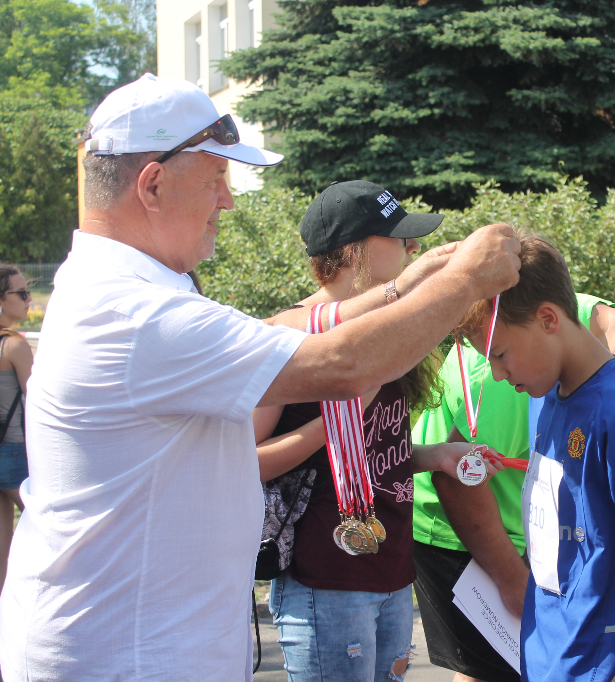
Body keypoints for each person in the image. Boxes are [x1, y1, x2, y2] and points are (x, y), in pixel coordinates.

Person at [0, 73, 521, 682]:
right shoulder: (134, 313)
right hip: (126, 657)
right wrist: (465, 280)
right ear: (153, 183)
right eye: (216, 178)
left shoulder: (129, 292)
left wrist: (404, 286)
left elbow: (276, 327)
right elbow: (343, 365)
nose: (227, 200)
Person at [252, 180, 504, 682]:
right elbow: (246, 461)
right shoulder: (288, 336)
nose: (412, 248)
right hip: (324, 577)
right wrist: (333, 418)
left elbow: (375, 449)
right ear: (353, 252)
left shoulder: (383, 331)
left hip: (390, 568)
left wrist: (435, 455)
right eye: (398, 237)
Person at [412, 289, 615, 682]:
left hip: (582, 636)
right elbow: (457, 478)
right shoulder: (536, 371)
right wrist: (514, 581)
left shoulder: (601, 391)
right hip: (461, 538)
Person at [0, 266, 32, 593]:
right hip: (14, 453)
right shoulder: (14, 347)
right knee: (52, 533)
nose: (28, 299)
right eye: (21, 293)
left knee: (2, 549)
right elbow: (39, 403)